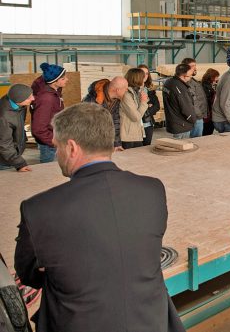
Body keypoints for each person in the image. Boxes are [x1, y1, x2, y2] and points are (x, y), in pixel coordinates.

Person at [14, 103, 185, 332]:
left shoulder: (39, 208)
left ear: (72, 148)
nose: (57, 154)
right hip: (151, 321)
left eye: (57, 147)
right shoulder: (152, 190)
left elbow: (29, 274)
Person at [30, 63, 68, 163]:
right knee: (50, 175)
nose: (67, 80)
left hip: (55, 139)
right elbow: (38, 129)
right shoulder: (47, 99)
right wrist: (54, 142)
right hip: (50, 146)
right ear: (54, 81)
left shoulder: (55, 91)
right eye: (63, 78)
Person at [83, 77, 128, 150]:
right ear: (117, 90)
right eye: (125, 88)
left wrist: (116, 144)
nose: (127, 90)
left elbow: (115, 122)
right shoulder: (91, 100)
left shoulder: (116, 100)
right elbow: (85, 126)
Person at [0, 84, 34, 172]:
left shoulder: (19, 105)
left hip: (12, 154)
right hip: (4, 159)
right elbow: (5, 145)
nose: (33, 99)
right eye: (29, 97)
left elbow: (19, 123)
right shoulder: (4, 117)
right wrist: (19, 164)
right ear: (19, 100)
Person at [163, 63, 196, 140]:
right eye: (190, 75)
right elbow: (186, 108)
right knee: (182, 147)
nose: (191, 77)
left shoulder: (168, 82)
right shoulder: (180, 88)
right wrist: (193, 120)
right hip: (182, 124)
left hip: (173, 121)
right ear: (183, 76)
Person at [119, 68, 149, 150]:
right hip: (128, 137)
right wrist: (143, 102)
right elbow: (135, 117)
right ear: (137, 79)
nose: (145, 79)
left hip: (135, 133)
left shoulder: (136, 92)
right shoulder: (127, 95)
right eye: (143, 77)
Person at [181, 58, 207, 138]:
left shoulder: (193, 81)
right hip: (194, 118)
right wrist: (198, 115)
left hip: (197, 117)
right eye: (192, 66)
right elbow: (191, 101)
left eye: (195, 65)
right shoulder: (185, 83)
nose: (195, 68)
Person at [137, 65, 160, 146]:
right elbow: (134, 110)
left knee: (146, 148)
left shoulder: (149, 89)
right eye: (142, 73)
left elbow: (157, 106)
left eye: (147, 73)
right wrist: (147, 106)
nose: (144, 76)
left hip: (149, 124)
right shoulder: (132, 89)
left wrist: (145, 109)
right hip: (137, 126)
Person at [201, 68, 219, 136]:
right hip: (207, 114)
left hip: (208, 113)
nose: (217, 79)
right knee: (207, 131)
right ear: (212, 77)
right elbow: (208, 100)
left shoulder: (206, 85)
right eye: (216, 77)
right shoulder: (206, 87)